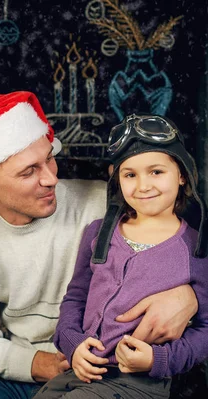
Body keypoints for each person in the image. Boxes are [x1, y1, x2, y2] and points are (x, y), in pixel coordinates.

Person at [0, 92, 198, 399]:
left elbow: (177, 250)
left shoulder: (106, 206)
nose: (51, 178)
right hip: (25, 375)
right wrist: (41, 363)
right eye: (29, 171)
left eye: (49, 158)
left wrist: (190, 296)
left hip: (108, 371)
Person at [33, 114, 208, 399]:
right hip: (79, 372)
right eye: (130, 175)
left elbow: (205, 330)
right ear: (116, 177)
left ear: (182, 174)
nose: (143, 186)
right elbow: (75, 298)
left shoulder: (196, 248)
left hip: (137, 383)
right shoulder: (98, 233)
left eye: (156, 172)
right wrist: (73, 344)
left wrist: (158, 360)